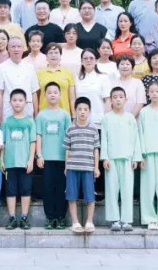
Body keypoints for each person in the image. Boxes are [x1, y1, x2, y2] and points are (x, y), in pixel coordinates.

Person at [101, 86, 140, 232]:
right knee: (112, 190)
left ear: (126, 99)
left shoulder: (130, 118)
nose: (118, 99)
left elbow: (136, 138)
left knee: (127, 189)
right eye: (115, 97)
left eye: (121, 97)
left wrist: (135, 157)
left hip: (127, 158)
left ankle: (127, 220)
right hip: (111, 158)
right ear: (110, 100)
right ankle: (115, 220)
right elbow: (104, 138)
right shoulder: (106, 118)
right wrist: (105, 157)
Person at [35, 82, 72, 229]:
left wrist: (69, 159)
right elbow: (38, 136)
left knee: (62, 188)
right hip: (46, 159)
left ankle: (61, 217)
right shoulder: (41, 115)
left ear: (60, 95)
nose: (52, 95)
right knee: (48, 188)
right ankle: (50, 218)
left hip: (63, 158)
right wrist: (39, 155)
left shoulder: (65, 115)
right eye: (49, 92)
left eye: (55, 92)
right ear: (45, 95)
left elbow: (69, 138)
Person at [1, 88, 36, 230]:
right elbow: (2, 143)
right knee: (10, 190)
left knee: (26, 190)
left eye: (20, 100)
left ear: (26, 103)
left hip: (25, 163)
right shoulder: (6, 122)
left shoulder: (29, 122)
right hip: (9, 163)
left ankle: (24, 217)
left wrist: (31, 160)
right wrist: (2, 160)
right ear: (10, 102)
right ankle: (12, 218)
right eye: (14, 100)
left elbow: (32, 142)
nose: (17, 103)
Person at [63, 97, 100, 233]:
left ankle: (89, 222)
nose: (82, 112)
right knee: (71, 195)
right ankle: (75, 222)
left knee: (90, 196)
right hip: (72, 167)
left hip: (88, 168)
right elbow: (67, 150)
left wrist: (96, 167)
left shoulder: (94, 129)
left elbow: (96, 150)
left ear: (89, 111)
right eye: (79, 109)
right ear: (75, 111)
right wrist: (66, 167)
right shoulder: (70, 129)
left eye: (85, 109)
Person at [0, 37, 40, 120]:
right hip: (8, 111)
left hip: (27, 110)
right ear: (8, 49)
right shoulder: (1, 68)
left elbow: (34, 93)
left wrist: (36, 114)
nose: (16, 49)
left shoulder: (30, 67)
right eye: (13, 46)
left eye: (19, 47)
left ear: (23, 49)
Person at [75, 50, 111, 125]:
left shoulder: (103, 77)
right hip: (80, 121)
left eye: (91, 58)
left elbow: (108, 100)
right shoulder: (76, 78)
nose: (88, 60)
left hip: (98, 120)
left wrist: (106, 119)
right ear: (81, 61)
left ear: (96, 61)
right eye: (85, 58)